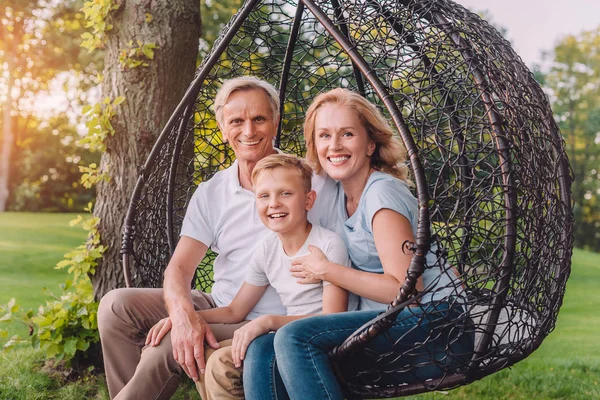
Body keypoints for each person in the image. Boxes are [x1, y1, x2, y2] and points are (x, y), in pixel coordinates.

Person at [97, 77, 336, 400]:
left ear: (275, 123)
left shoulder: (309, 183)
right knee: (116, 306)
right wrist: (183, 316)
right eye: (236, 121)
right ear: (223, 129)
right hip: (223, 305)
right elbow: (179, 269)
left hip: (271, 317)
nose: (248, 131)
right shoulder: (212, 192)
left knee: (164, 345)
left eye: (259, 119)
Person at [243, 88, 473, 399]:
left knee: (295, 338)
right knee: (262, 347)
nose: (334, 146)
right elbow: (290, 185)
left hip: (437, 326)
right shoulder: (338, 193)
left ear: (370, 144)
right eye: (324, 136)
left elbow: (405, 290)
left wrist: (327, 271)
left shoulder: (381, 194)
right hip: (387, 326)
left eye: (347, 134)